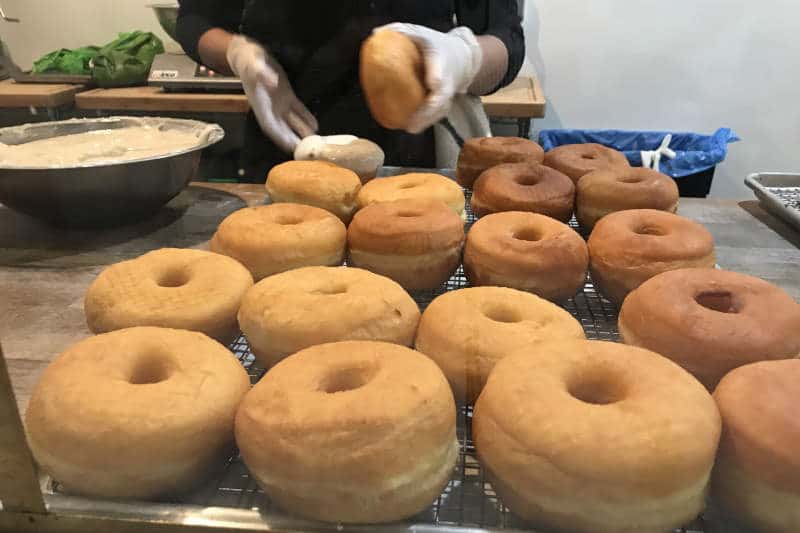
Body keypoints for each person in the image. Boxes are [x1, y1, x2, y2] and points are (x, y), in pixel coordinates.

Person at [176, 1, 524, 181]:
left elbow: (507, 40)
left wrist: (465, 56)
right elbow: (196, 21)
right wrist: (239, 54)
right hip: (287, 147)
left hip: (419, 160)